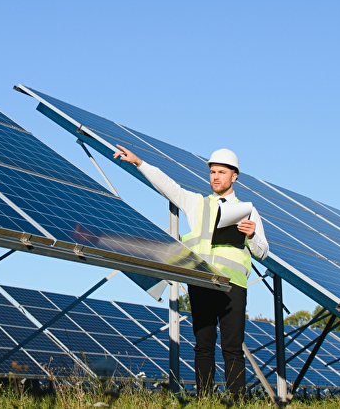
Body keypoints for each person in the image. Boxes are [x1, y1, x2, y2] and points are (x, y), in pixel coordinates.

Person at [114, 145, 267, 399]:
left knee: (233, 348)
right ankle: (205, 400)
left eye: (221, 172)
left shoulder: (248, 210)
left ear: (234, 176)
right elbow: (169, 186)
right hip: (203, 283)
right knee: (203, 347)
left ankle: (237, 402)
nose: (215, 177)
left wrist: (251, 235)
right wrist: (140, 163)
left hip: (234, 286)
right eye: (212, 172)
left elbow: (263, 252)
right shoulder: (196, 203)